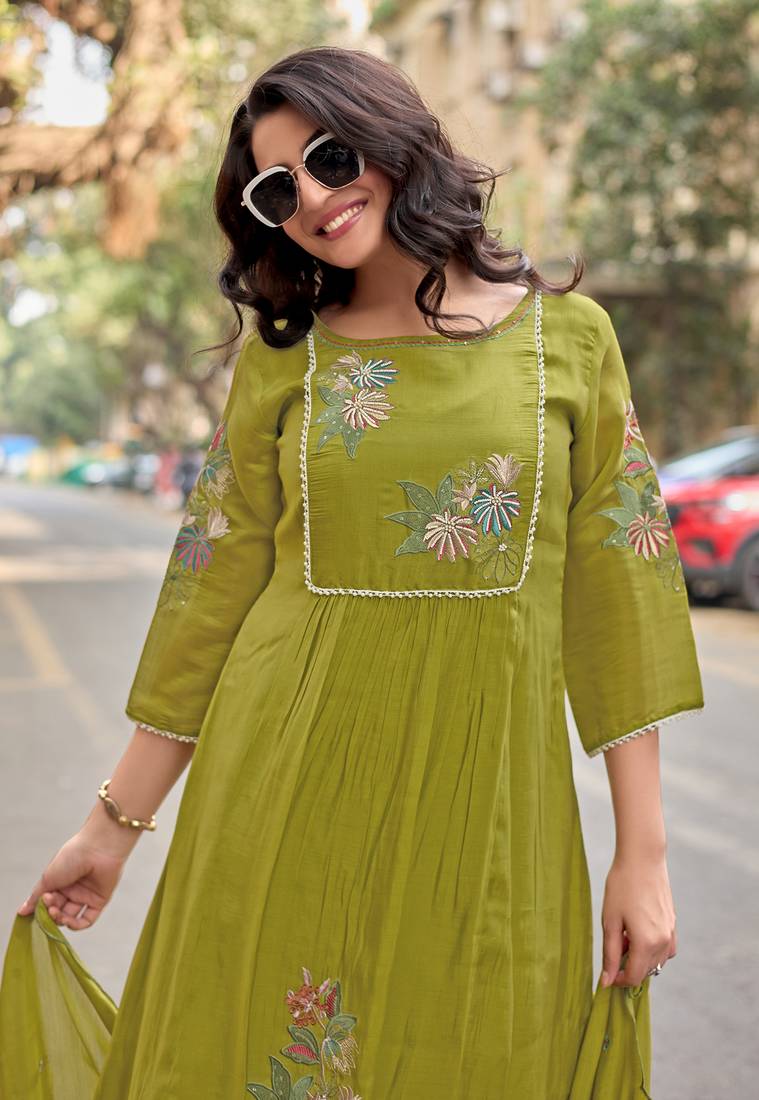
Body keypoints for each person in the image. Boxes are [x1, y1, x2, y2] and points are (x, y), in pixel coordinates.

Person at [1, 44, 704, 1098]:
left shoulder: (571, 341)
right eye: (278, 190)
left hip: (491, 808)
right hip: (279, 791)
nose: (316, 198)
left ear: (391, 137)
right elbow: (210, 598)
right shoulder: (285, 360)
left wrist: (641, 856)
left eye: (331, 157)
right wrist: (110, 829)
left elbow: (620, 598)